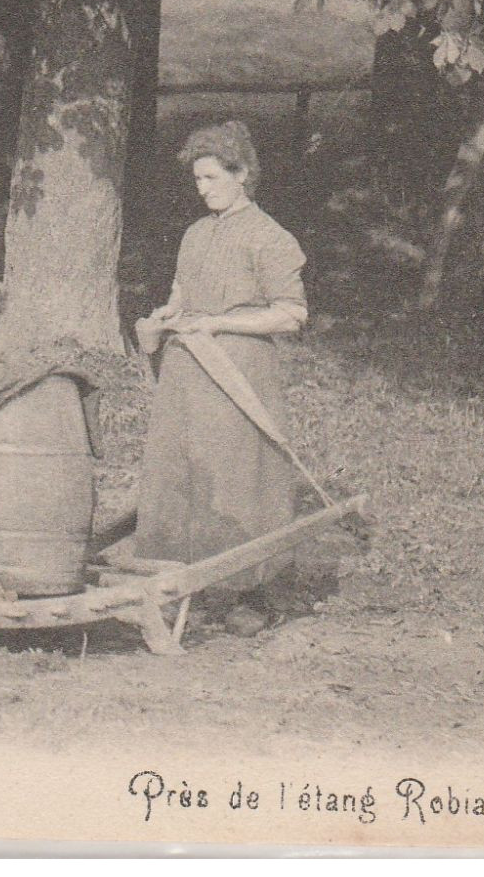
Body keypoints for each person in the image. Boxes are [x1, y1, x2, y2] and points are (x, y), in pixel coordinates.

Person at [128, 121, 307, 631]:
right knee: (183, 471)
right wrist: (164, 316)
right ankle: (187, 583)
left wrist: (220, 323)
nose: (202, 188)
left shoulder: (270, 238)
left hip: (239, 371)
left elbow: (291, 314)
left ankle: (248, 594)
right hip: (187, 371)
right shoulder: (195, 234)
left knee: (236, 477)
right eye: (197, 179)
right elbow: (182, 296)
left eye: (210, 178)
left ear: (242, 174)